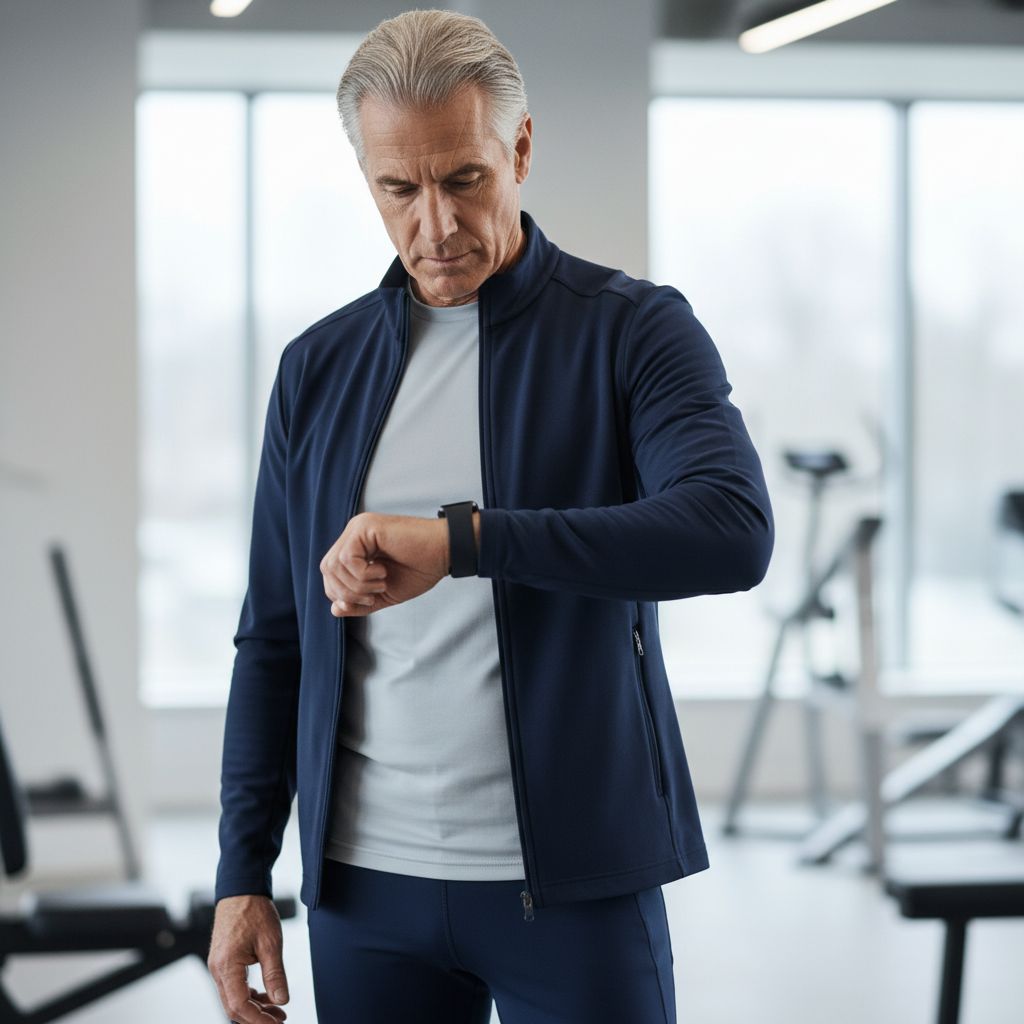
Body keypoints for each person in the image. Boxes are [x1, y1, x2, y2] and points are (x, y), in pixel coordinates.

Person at [206, 9, 774, 1024]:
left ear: (517, 147)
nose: (435, 225)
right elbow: (275, 635)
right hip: (363, 890)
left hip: (576, 887)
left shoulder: (634, 331)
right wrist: (242, 868)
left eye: (463, 178)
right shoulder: (318, 369)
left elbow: (729, 528)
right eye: (398, 189)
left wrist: (465, 541)